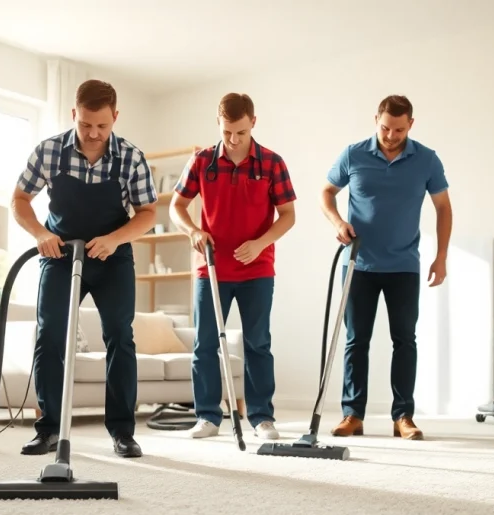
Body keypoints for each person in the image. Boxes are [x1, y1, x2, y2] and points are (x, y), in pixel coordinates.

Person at [11, 79, 158, 458]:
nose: (94, 134)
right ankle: (46, 430)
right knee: (50, 337)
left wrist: (116, 239)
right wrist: (40, 233)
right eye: (86, 124)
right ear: (74, 114)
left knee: (120, 338)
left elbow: (147, 214)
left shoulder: (130, 157)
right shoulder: (49, 152)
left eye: (103, 126)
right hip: (59, 254)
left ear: (115, 118)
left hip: (112, 257)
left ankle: (123, 432)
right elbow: (20, 198)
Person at [320, 95, 453, 441]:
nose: (391, 135)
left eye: (398, 129)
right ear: (375, 119)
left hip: (404, 266)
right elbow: (326, 192)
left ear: (411, 124)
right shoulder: (354, 154)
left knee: (404, 341)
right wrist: (337, 222)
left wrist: (441, 256)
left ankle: (403, 416)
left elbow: (443, 208)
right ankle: (352, 415)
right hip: (359, 264)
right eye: (384, 127)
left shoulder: (427, 160)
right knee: (355, 341)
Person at [169, 92, 297, 440]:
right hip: (210, 268)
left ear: (253, 122)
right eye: (227, 132)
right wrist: (193, 230)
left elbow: (288, 216)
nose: (234, 139)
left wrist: (260, 243)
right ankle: (208, 417)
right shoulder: (202, 161)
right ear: (218, 124)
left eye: (240, 131)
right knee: (205, 344)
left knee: (258, 343)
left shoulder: (272, 163)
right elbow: (176, 208)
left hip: (257, 269)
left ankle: (261, 417)